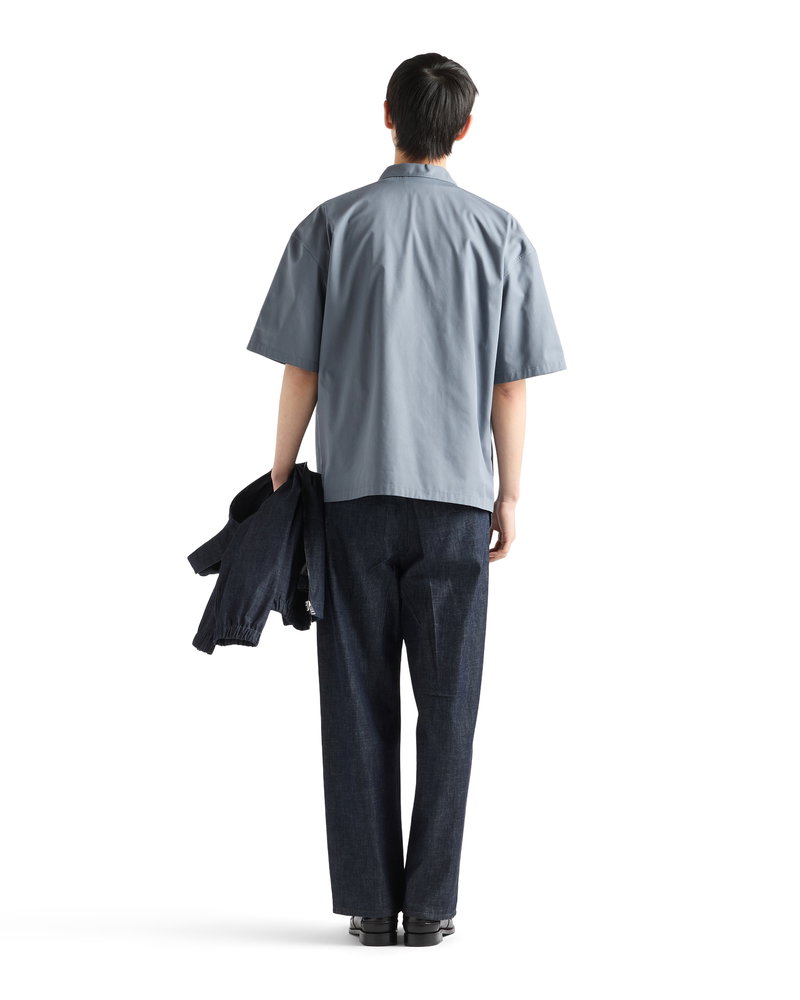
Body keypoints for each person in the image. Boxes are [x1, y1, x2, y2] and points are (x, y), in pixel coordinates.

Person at [246, 52, 567, 947]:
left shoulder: (331, 225)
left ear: (386, 115)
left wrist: (281, 477)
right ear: (463, 129)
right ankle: (430, 907)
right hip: (457, 504)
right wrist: (510, 495)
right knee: (450, 705)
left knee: (355, 700)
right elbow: (510, 386)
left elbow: (301, 370)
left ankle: (368, 903)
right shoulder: (499, 234)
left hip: (353, 498)